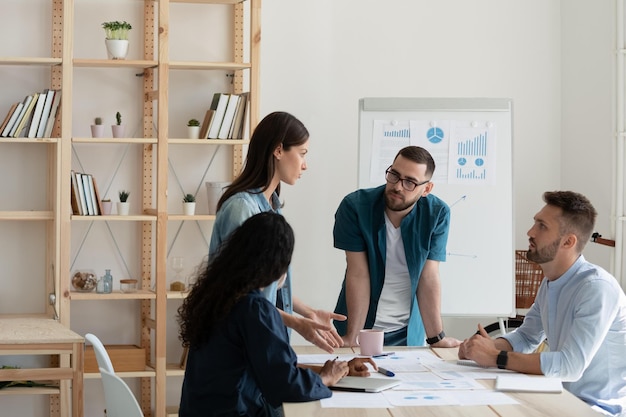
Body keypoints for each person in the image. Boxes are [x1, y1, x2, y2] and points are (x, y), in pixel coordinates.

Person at [178, 212, 376, 417]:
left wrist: (336, 370)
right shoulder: (254, 309)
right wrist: (325, 379)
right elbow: (284, 385)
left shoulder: (217, 297)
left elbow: (272, 367)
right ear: (277, 265)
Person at [459, 191, 626, 416]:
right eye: (534, 223)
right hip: (559, 399)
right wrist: (481, 348)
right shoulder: (550, 282)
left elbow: (570, 366)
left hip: (595, 409)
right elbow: (527, 336)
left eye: (542, 226)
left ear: (568, 241)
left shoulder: (596, 288)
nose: (530, 232)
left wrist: (495, 357)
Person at [209, 111, 346, 353]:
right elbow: (243, 296)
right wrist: (296, 322)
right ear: (279, 150)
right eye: (302, 153)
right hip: (239, 342)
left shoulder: (271, 205)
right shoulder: (242, 208)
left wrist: (309, 313)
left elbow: (267, 285)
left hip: (262, 336)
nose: (305, 164)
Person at [333, 145, 461, 348]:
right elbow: (358, 273)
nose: (398, 187)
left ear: (426, 189)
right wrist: (352, 336)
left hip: (408, 332)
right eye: (394, 175)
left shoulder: (437, 214)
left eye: (410, 182)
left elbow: (428, 276)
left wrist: (437, 338)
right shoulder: (355, 207)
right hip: (360, 327)